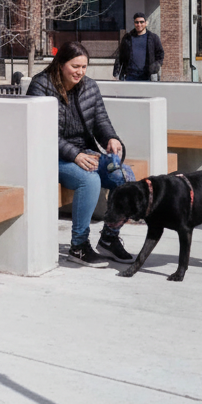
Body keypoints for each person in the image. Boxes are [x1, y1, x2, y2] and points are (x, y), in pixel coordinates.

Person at [28, 41, 134, 266]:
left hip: (85, 153)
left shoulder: (89, 87)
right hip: (51, 156)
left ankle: (108, 239)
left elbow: (101, 121)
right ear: (60, 64)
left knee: (124, 176)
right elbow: (42, 132)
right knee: (89, 179)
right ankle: (78, 246)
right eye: (75, 66)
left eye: (84, 67)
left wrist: (111, 138)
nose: (80, 72)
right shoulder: (41, 86)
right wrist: (75, 155)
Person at [113, 12, 164, 81]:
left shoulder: (153, 38)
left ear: (146, 23)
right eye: (136, 22)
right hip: (130, 76)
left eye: (141, 22)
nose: (139, 24)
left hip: (147, 76)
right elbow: (120, 56)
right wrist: (116, 73)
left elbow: (160, 54)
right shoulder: (127, 37)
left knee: (147, 92)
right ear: (134, 23)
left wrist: (156, 65)